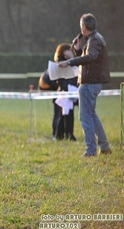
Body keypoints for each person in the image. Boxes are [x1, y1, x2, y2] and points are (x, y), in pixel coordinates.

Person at [58, 13, 111, 157]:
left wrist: (69, 62)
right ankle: (104, 146)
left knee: (84, 117)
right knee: (92, 115)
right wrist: (78, 49)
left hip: (89, 83)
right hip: (92, 82)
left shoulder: (94, 40)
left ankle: (90, 150)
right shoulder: (94, 39)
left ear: (84, 26)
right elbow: (88, 57)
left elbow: (90, 57)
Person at [54, 43, 78, 141]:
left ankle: (67, 134)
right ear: (63, 53)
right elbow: (60, 81)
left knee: (68, 114)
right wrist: (68, 89)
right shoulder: (60, 65)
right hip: (64, 93)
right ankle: (61, 135)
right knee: (62, 115)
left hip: (72, 91)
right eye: (68, 50)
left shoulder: (73, 63)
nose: (70, 52)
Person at [38, 69, 60, 140]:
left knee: (57, 116)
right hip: (58, 96)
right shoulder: (52, 74)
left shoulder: (47, 73)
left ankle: (56, 135)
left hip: (57, 96)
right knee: (57, 116)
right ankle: (56, 135)